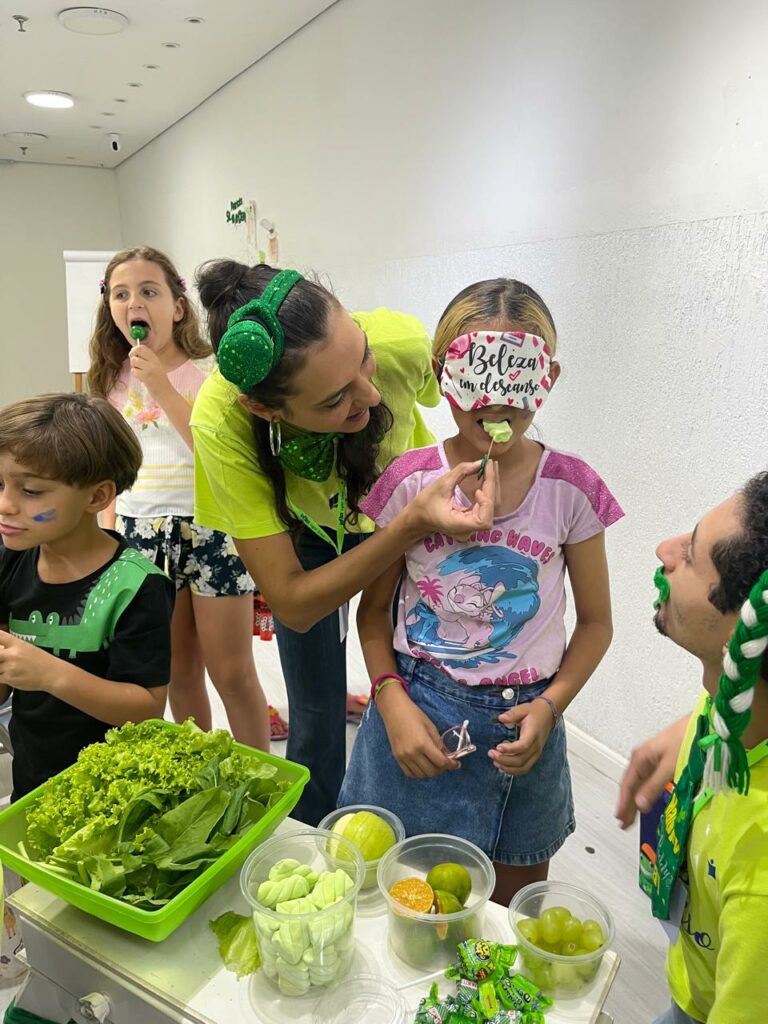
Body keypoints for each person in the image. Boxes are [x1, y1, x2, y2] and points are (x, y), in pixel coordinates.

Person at [338, 278, 622, 903]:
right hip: (417, 706)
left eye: (517, 377)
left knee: (504, 915)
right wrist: (391, 701)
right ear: (444, 376)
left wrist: (552, 707)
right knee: (396, 894)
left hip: (527, 723)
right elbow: (373, 613)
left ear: (547, 378)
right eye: (477, 375)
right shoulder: (409, 483)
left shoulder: (572, 490)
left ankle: (481, 970)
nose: (496, 400)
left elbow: (597, 623)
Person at [192, 262, 496, 824]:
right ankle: (314, 833)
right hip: (316, 533)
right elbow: (293, 602)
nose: (372, 394)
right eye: (335, 400)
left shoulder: (403, 342)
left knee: (423, 684)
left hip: (407, 516)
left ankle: (412, 819)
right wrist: (410, 526)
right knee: (315, 709)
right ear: (264, 409)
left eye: (363, 357)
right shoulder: (220, 419)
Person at [88, 246, 275, 750]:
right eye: (121, 294)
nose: (134, 304)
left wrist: (162, 387)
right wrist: (107, 533)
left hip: (212, 526)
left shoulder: (211, 371)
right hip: (139, 533)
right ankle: (202, 772)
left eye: (148, 291)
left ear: (176, 306)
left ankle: (264, 775)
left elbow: (219, 453)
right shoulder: (110, 378)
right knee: (178, 670)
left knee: (231, 672)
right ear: (110, 308)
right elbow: (110, 469)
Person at [616, 470, 768, 1024]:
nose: (665, 550)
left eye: (692, 554)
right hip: (696, 980)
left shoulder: (758, 883)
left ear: (743, 636)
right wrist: (691, 726)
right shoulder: (740, 711)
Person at [0, 392, 174, 798]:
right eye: (0, 485)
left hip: (114, 793)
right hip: (33, 780)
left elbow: (146, 708)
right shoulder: (11, 561)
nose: (5, 505)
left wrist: (49, 674)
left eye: (31, 491)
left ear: (97, 497)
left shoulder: (135, 587)